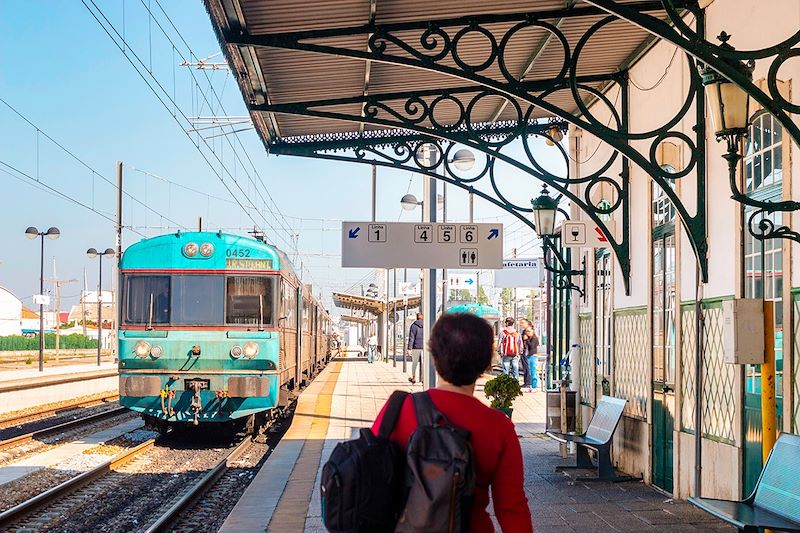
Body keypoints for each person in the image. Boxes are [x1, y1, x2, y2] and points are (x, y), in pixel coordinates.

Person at [372, 313, 533, 532]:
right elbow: (511, 508)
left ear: (433, 357)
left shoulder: (399, 410)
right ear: (486, 362)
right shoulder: (499, 427)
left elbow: (371, 481)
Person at [407, 312, 424, 384]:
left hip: (415, 347)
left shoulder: (413, 326)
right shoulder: (426, 325)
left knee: (414, 363)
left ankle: (413, 378)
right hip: (424, 347)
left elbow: (411, 338)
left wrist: (409, 348)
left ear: (416, 317)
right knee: (424, 363)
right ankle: (424, 379)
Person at [523, 326, 540, 392]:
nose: (527, 333)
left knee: (533, 371)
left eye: (529, 331)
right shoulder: (530, 338)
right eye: (526, 331)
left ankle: (534, 386)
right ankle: (531, 386)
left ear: (533, 331)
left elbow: (532, 346)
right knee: (530, 371)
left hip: (533, 356)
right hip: (529, 356)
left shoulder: (534, 338)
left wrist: (526, 340)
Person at [518, 319, 531, 389]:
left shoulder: (528, 331)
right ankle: (526, 382)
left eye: (523, 323)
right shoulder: (524, 331)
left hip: (526, 351)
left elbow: (532, 342)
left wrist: (526, 340)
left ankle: (528, 382)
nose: (521, 324)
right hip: (524, 351)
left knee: (527, 367)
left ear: (527, 323)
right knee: (525, 367)